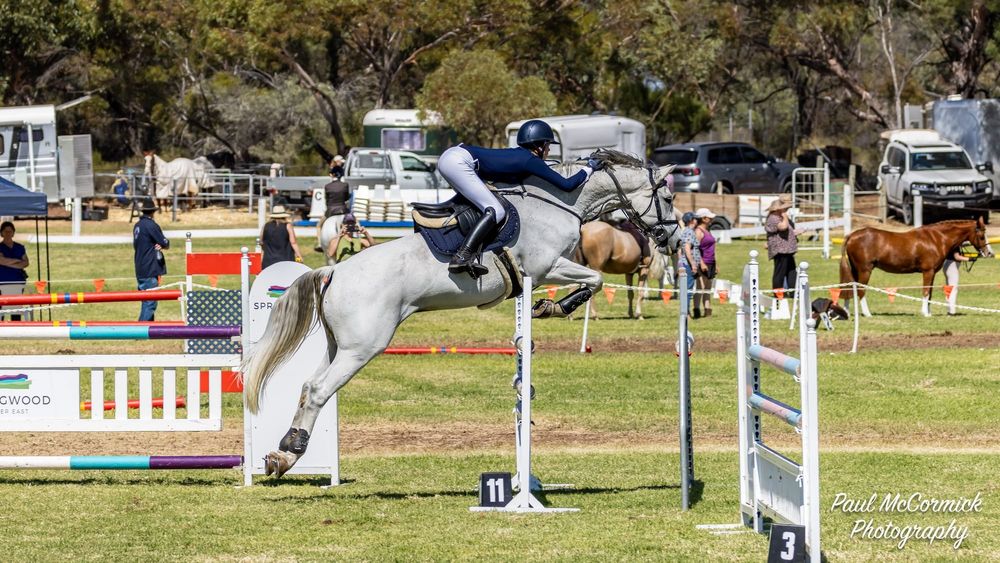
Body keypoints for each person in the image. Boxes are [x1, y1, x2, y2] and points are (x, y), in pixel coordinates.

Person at [436, 119, 603, 277]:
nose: (549, 150)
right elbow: (567, 185)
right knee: (496, 211)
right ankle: (462, 256)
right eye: (548, 145)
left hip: (453, 156)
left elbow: (542, 170)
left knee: (485, 204)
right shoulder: (530, 160)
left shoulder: (523, 156)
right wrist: (589, 168)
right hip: (458, 162)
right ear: (539, 146)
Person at [132, 197, 170, 321]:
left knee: (146, 298)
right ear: (153, 211)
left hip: (140, 266)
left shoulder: (137, 226)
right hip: (150, 267)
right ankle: (141, 330)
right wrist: (163, 244)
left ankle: (150, 327)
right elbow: (164, 242)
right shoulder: (151, 225)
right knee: (150, 301)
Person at [764, 195, 807, 298]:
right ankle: (778, 293)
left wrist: (797, 232)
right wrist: (785, 216)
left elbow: (787, 231)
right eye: (786, 207)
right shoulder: (773, 218)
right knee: (780, 272)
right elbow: (783, 227)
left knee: (791, 271)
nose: (788, 209)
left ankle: (793, 292)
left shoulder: (780, 217)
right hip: (780, 250)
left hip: (787, 250)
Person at [0, 221, 30, 321]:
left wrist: (8, 262)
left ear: (13, 233)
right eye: (5, 231)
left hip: (18, 282)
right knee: (1, 308)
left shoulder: (20, 247)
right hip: (2, 282)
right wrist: (17, 261)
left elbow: (26, 263)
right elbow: (1, 261)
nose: (8, 233)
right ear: (1, 233)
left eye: (10, 231)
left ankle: (16, 328)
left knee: (16, 308)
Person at [315, 171, 351, 252]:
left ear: (332, 175)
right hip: (343, 210)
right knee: (356, 222)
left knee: (318, 225)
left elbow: (327, 201)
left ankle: (320, 244)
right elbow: (346, 198)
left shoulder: (327, 186)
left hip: (331, 211)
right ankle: (360, 237)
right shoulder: (345, 185)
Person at [261, 204, 303, 269]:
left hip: (268, 261)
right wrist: (299, 257)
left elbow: (262, 243)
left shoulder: (266, 226)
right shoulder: (288, 226)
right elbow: (293, 242)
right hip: (285, 261)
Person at [694, 207, 718, 318]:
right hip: (703, 263)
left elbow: (713, 248)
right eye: (709, 217)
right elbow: (696, 249)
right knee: (700, 288)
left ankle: (707, 310)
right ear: (703, 218)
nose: (711, 219)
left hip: (711, 262)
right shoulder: (698, 231)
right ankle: (697, 310)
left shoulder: (708, 230)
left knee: (708, 288)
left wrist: (716, 264)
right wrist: (701, 263)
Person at [677, 211, 701, 315]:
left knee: (686, 289)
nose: (697, 221)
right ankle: (685, 312)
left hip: (684, 264)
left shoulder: (684, 231)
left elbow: (679, 249)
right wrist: (693, 264)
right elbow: (687, 249)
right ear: (692, 220)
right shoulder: (690, 232)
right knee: (688, 290)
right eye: (696, 219)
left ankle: (685, 311)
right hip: (688, 265)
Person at [941, 249, 972, 315]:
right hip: (952, 266)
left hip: (947, 264)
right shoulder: (956, 244)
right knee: (953, 289)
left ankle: (949, 309)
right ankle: (952, 311)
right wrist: (969, 259)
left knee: (948, 289)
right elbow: (957, 257)